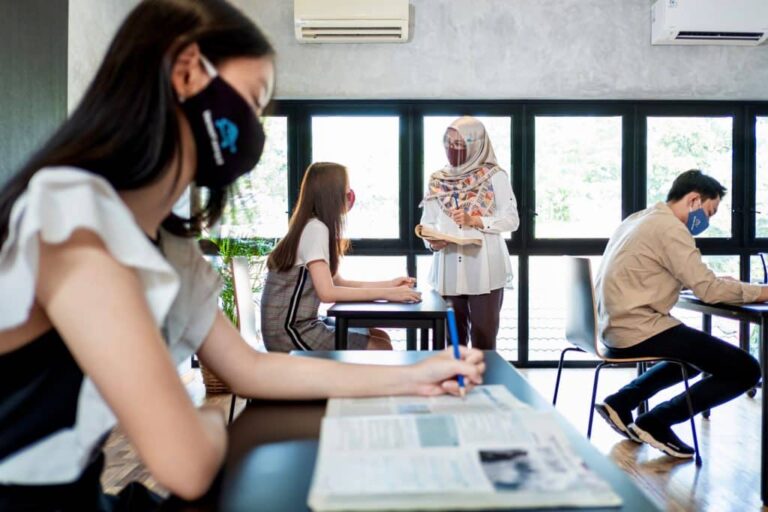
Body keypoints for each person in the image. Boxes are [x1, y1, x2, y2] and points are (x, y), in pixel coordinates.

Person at [0, 1, 485, 509]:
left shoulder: (168, 247)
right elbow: (186, 464)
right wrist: (210, 418)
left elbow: (251, 369)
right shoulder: (72, 215)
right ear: (187, 70)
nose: (253, 129)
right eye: (252, 102)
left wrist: (412, 376)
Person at [594, 169, 765, 459]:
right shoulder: (672, 229)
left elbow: (675, 274)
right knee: (747, 369)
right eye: (709, 212)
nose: (707, 222)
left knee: (697, 356)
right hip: (636, 328)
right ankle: (657, 421)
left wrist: (716, 282)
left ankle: (622, 401)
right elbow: (709, 292)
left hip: (614, 324)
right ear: (694, 200)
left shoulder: (640, 218)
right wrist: (763, 291)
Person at [261, 161, 421, 352]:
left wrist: (389, 284)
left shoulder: (313, 226)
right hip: (290, 333)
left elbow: (338, 282)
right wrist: (388, 294)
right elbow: (328, 293)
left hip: (297, 326)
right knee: (379, 347)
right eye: (346, 189)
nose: (350, 195)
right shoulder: (315, 229)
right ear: (332, 194)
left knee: (380, 336)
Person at [420, 116, 519, 350]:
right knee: (450, 339)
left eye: (460, 144)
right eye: (448, 143)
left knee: (484, 339)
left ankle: (484, 385)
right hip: (448, 266)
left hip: (484, 268)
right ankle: (453, 386)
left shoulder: (494, 176)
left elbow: (512, 220)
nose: (452, 149)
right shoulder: (438, 180)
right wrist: (432, 242)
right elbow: (428, 222)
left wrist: (475, 220)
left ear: (476, 145)